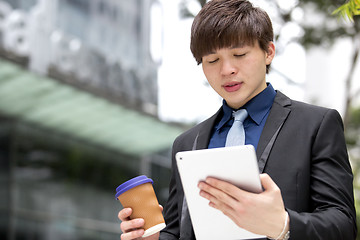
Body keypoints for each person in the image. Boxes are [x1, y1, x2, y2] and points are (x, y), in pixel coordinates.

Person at [118, 0, 357, 239]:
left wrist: (283, 224)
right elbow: (178, 232)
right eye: (212, 60)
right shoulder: (186, 143)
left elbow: (343, 224)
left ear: (268, 52)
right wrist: (151, 237)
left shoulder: (315, 125)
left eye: (239, 54)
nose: (226, 70)